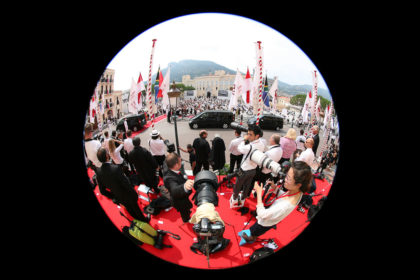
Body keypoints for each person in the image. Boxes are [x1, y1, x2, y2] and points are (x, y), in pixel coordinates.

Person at [240, 161, 312, 244]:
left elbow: (262, 214)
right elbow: (285, 196)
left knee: (255, 230)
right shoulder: (298, 192)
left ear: (298, 184)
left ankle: (251, 238)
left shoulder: (285, 205)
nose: (285, 179)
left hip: (266, 222)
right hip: (271, 219)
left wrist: (259, 194)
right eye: (286, 175)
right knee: (256, 229)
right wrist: (275, 188)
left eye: (288, 178)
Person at [95, 147, 148, 222]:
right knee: (136, 209)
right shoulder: (115, 168)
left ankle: (138, 222)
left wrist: (113, 195)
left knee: (130, 210)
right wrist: (133, 193)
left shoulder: (98, 173)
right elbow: (125, 183)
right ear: (107, 156)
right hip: (127, 194)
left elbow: (102, 191)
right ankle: (144, 221)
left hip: (118, 196)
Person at [230, 125, 265, 208]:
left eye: (250, 135)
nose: (248, 136)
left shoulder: (250, 146)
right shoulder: (262, 144)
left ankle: (235, 199)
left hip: (244, 170)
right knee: (247, 186)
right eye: (248, 134)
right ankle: (242, 199)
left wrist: (244, 140)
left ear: (257, 136)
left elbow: (240, 149)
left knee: (238, 185)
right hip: (253, 170)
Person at [163, 152, 194, 223]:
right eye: (180, 161)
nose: (182, 162)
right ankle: (186, 220)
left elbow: (165, 161)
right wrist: (184, 186)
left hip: (180, 197)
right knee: (185, 212)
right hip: (180, 201)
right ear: (176, 165)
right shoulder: (169, 178)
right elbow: (175, 190)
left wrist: (169, 155)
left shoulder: (167, 165)